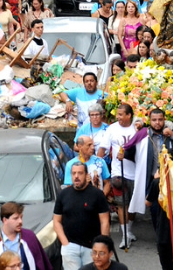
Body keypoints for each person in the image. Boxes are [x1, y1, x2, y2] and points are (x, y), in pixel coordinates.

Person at [96, 104, 139, 249]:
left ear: (129, 115)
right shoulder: (112, 129)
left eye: (121, 114)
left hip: (135, 172)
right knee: (121, 204)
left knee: (133, 205)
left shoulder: (136, 128)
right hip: (118, 173)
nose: (118, 117)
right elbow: (103, 148)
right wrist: (96, 166)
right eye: (117, 114)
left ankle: (129, 230)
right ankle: (125, 235)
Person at [53, 163, 111, 270]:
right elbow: (56, 221)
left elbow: (105, 221)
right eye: (74, 173)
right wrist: (65, 243)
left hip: (92, 247)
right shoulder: (63, 195)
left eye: (80, 173)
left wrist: (103, 244)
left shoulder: (97, 195)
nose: (76, 176)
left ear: (86, 175)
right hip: (70, 246)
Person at [0, 202, 52, 270]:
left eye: (21, 217)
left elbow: (41, 265)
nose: (20, 221)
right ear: (5, 220)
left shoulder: (29, 237)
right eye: (16, 218)